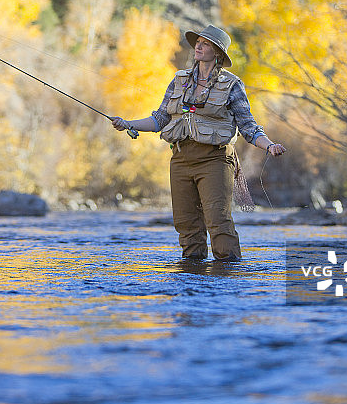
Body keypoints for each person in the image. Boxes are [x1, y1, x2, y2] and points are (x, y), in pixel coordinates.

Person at [110, 24, 286, 261]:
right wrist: (128, 123)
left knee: (218, 220)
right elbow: (160, 118)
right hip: (181, 159)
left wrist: (269, 145)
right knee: (186, 223)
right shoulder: (179, 80)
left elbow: (248, 126)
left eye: (205, 44)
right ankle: (193, 277)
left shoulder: (232, 85)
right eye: (198, 43)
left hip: (214, 159)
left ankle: (227, 274)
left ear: (218, 53)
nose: (198, 47)